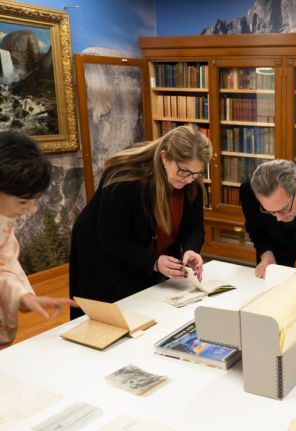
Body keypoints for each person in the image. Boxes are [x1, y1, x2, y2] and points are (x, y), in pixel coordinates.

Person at [69, 126, 211, 318]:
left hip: (144, 251)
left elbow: (194, 227)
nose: (188, 180)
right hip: (103, 252)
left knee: (150, 309)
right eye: (183, 172)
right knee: (112, 317)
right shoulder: (125, 177)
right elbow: (112, 240)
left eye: (196, 174)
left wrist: (191, 249)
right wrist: (153, 261)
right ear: (165, 157)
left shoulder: (191, 182)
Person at [0, 131, 77, 346]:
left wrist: (25, 297)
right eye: (23, 202)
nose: (29, 210)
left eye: (34, 201)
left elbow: (4, 265)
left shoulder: (3, 217)